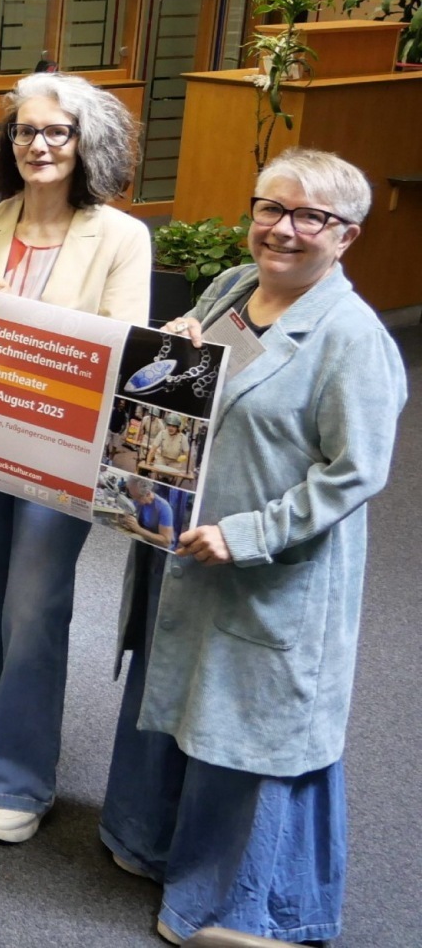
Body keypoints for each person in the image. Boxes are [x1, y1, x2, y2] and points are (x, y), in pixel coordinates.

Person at [102, 150, 405, 945]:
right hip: (187, 545)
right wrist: (172, 350)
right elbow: (198, 393)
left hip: (270, 566)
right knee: (183, 695)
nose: (285, 229)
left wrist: (248, 535)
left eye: (313, 218)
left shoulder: (351, 338)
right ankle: (156, 843)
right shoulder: (233, 288)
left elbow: (356, 473)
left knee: (250, 727)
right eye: (271, 208)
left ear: (348, 237)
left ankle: (238, 909)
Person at [0, 71, 150, 843]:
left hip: (63, 451)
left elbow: (122, 357)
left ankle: (21, 777)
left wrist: (16, 316)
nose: (38, 144)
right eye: (24, 131)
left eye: (57, 131)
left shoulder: (120, 236)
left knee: (36, 605)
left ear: (87, 144)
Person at [117, 477, 177, 552]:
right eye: (132, 496)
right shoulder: (137, 500)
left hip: (158, 549)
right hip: (143, 540)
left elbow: (166, 542)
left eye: (137, 498)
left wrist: (138, 529)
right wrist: (124, 520)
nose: (134, 500)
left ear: (148, 494)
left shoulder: (164, 508)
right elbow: (129, 516)